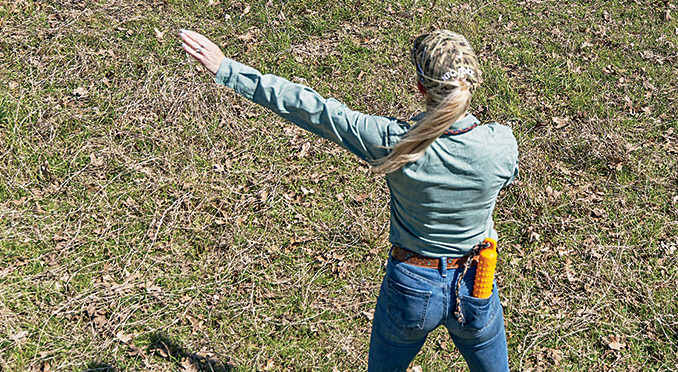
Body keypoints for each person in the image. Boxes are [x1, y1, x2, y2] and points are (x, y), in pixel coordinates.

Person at [180, 28, 519, 372]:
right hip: (476, 283)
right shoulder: (500, 145)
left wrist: (227, 68)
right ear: (472, 84)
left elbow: (312, 109)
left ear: (420, 88)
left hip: (411, 287)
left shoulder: (392, 140)